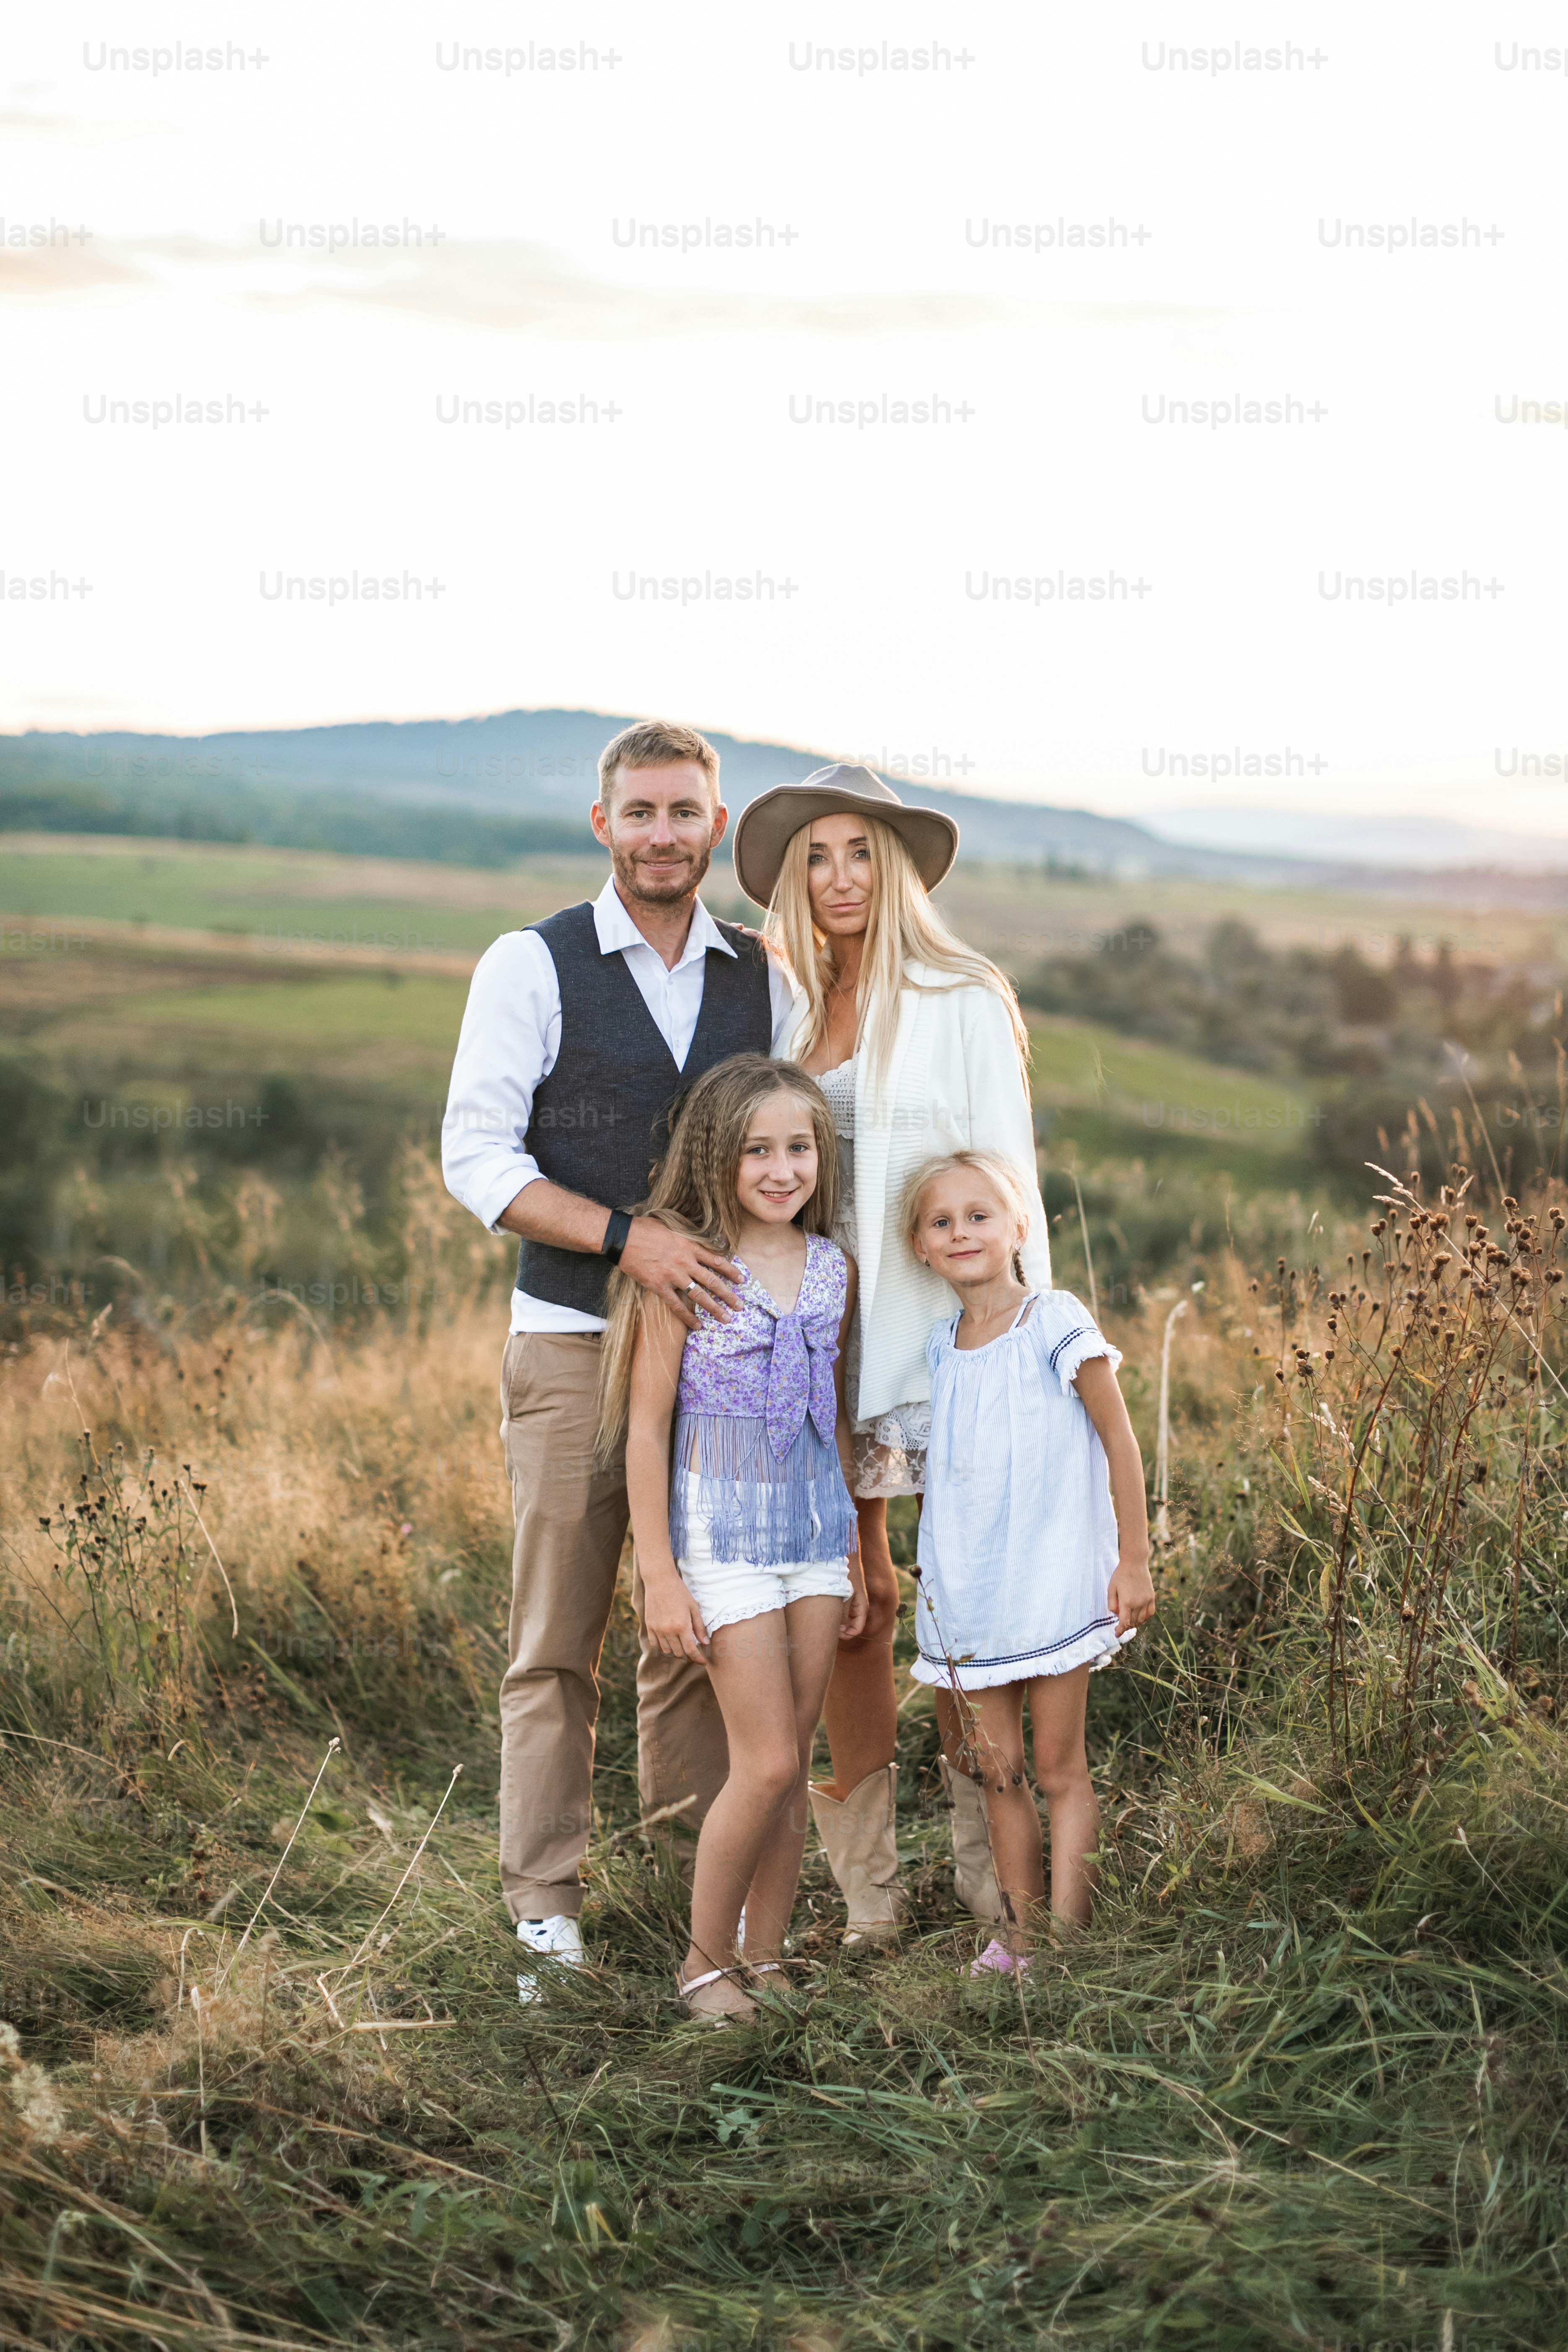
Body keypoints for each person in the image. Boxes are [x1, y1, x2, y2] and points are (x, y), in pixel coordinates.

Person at [441, 720, 795, 2001]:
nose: (661, 834)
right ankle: (543, 1910)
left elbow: (798, 1152)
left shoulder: (765, 974)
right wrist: (623, 1240)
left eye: (683, 813)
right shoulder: (528, 963)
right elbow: (476, 1159)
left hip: (725, 1368)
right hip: (570, 1345)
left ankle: (679, 1892)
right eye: (639, 811)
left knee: (701, 1629)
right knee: (555, 1639)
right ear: (605, 825)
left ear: (715, 826)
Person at [730, 763, 1050, 1941]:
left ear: (896, 865)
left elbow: (1004, 1184)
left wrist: (1026, 1351)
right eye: (814, 857)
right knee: (855, 1611)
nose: (836, 878)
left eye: (857, 851)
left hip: (947, 1348)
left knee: (969, 1601)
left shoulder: (961, 996)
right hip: (819, 1352)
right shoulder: (783, 1009)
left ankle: (990, 1885)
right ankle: (872, 1899)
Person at [599, 1055, 867, 2020]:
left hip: (814, 1529)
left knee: (792, 1764)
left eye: (799, 1147)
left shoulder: (832, 1266)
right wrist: (658, 1574)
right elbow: (645, 1429)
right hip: (724, 1532)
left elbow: (830, 1408)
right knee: (759, 1763)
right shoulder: (688, 1266)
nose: (781, 1168)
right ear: (719, 1157)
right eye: (758, 1149)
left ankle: (768, 1956)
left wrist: (858, 1552)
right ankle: (702, 1966)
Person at [902, 1148, 1156, 1971]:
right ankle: (1017, 1934)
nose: (961, 1232)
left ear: (1018, 1227)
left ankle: (1066, 1946)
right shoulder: (940, 1347)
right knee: (996, 1771)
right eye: (941, 1222)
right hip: (971, 1595)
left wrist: (1133, 1560)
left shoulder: (1054, 1320)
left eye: (978, 1215)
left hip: (1049, 1583)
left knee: (1057, 1767)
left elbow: (1118, 1441)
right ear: (920, 1248)